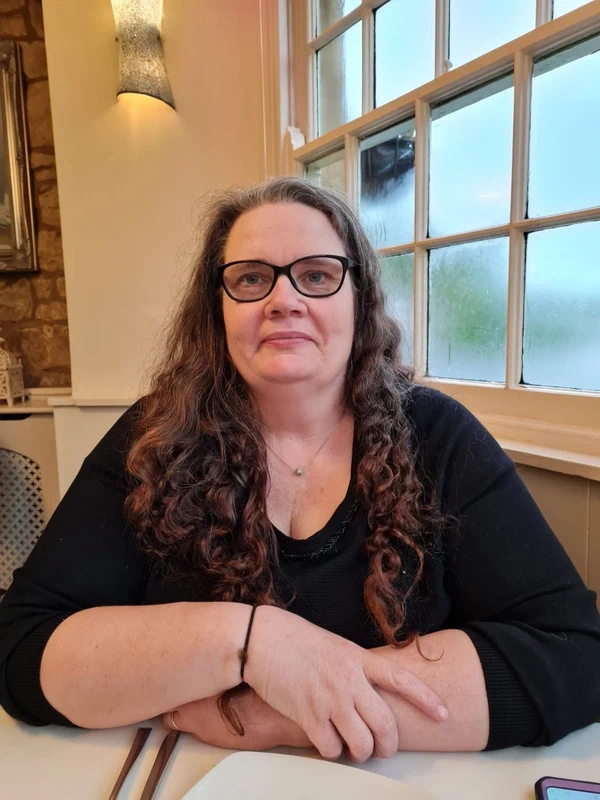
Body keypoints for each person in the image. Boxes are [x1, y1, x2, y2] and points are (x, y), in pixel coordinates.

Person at [1, 178, 599, 763]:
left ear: (359, 299)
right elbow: (22, 645)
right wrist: (252, 643)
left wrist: (280, 712)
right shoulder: (151, 439)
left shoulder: (438, 437)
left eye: (316, 275)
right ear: (216, 310)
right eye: (250, 278)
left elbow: (576, 652)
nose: (283, 300)